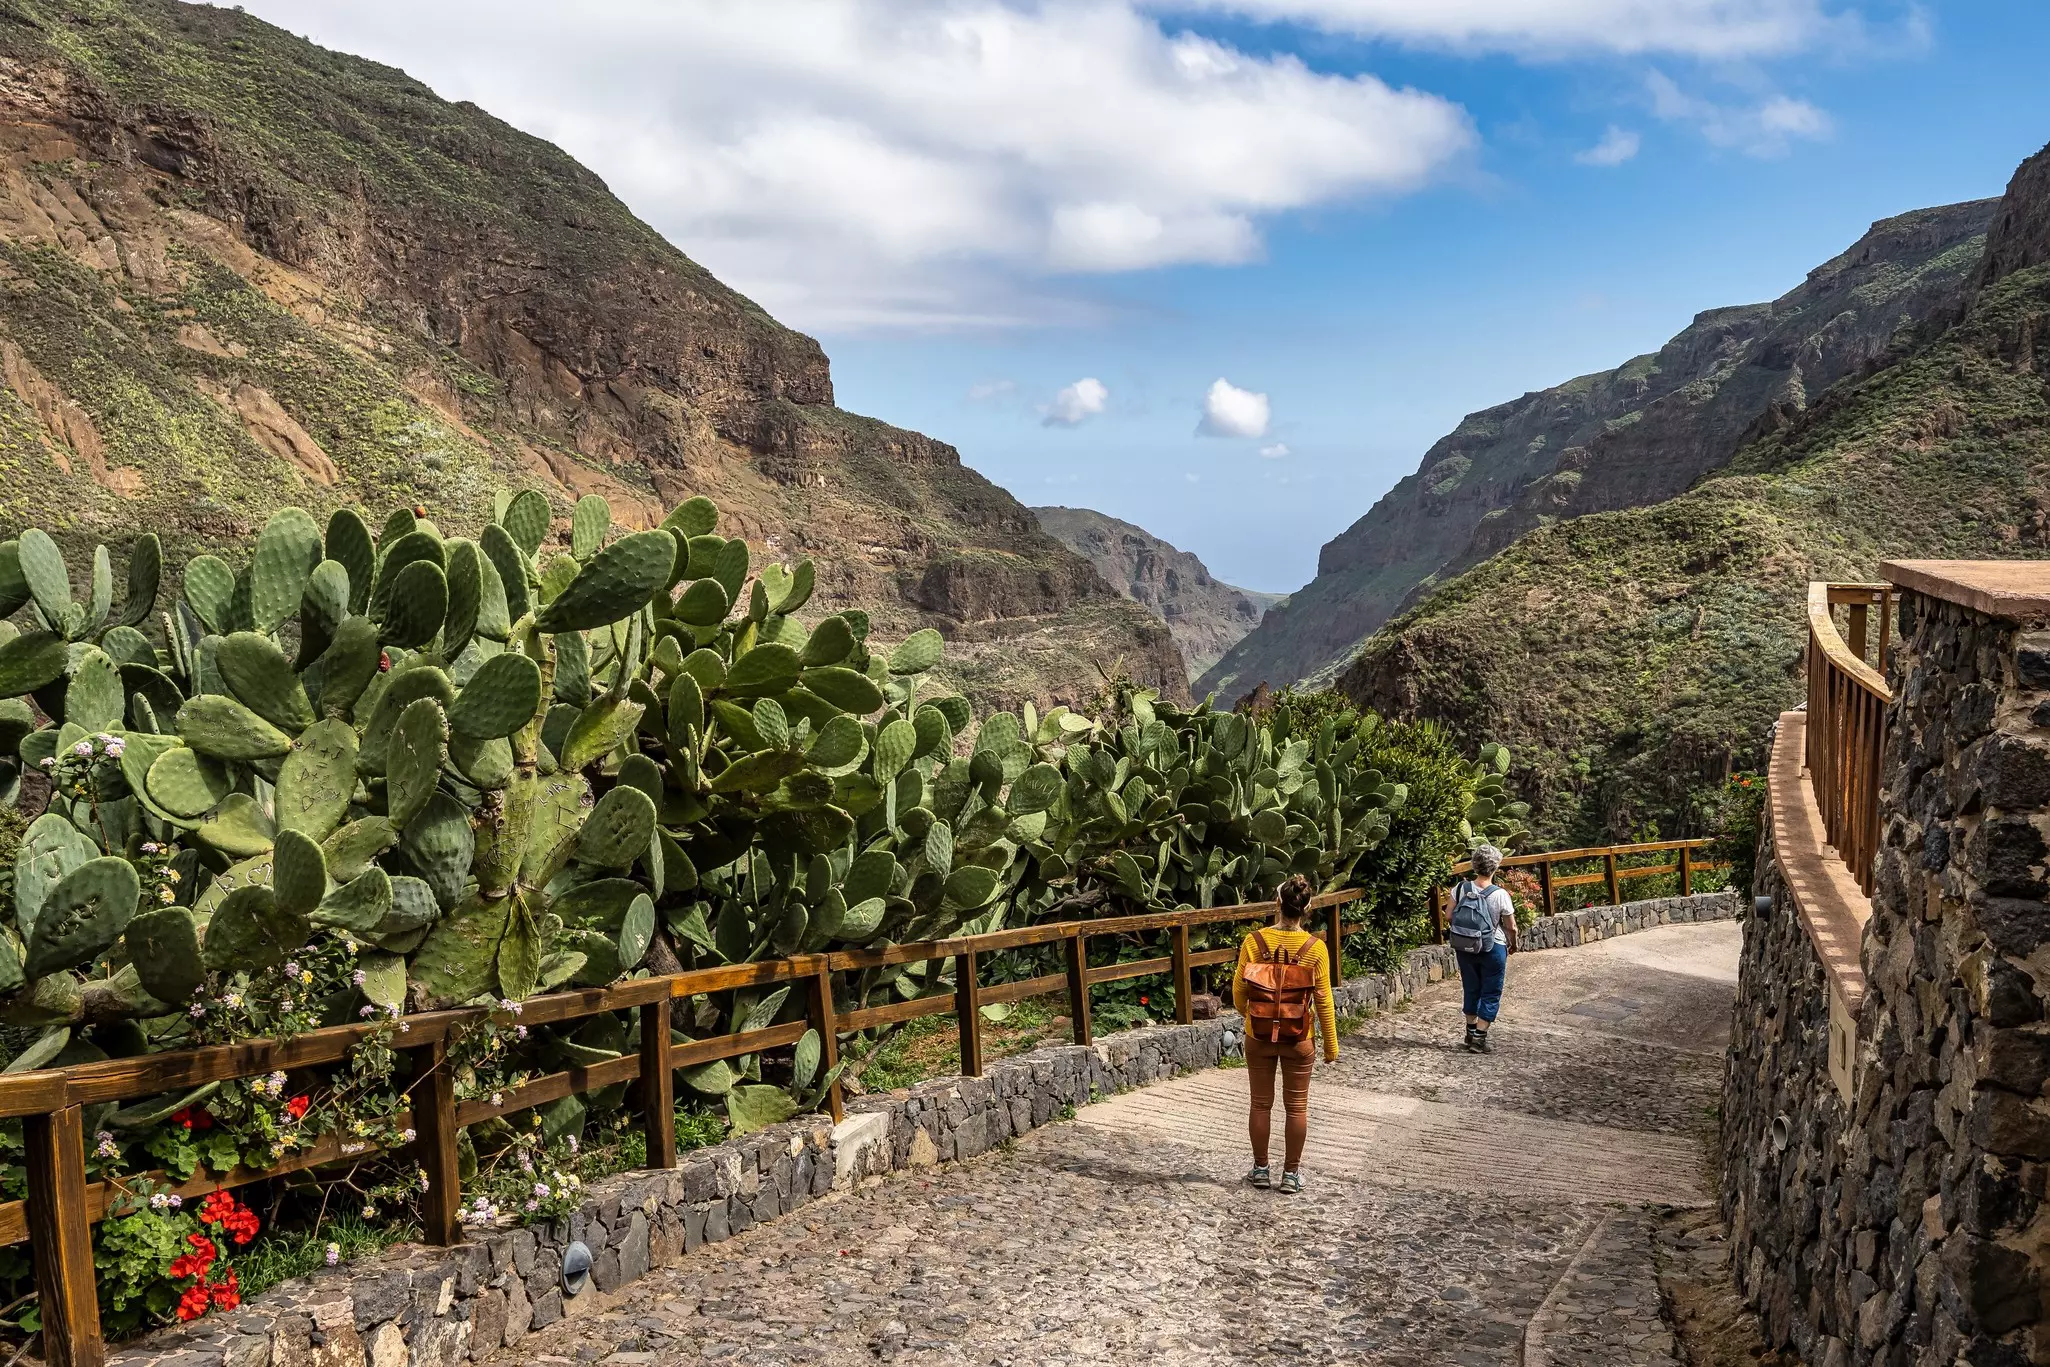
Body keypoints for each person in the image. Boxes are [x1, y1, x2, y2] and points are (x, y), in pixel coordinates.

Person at [1232, 874, 1338, 1195]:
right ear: (1308, 908)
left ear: (1277, 904)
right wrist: (1331, 1045)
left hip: (1259, 1035)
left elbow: (1239, 991)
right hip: (1299, 1038)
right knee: (1297, 1107)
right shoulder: (1315, 948)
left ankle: (1261, 1169)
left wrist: (1252, 1014)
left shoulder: (1254, 942)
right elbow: (1324, 999)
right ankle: (1291, 1174)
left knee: (1260, 1104)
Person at [1446, 843, 1518, 1052]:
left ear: (1474, 865)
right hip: (1492, 947)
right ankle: (1479, 1038)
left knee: (1471, 987)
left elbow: (1449, 916)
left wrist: (1467, 931)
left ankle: (1470, 1030)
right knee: (1491, 990)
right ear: (1495, 867)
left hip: (1465, 947)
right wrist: (1513, 944)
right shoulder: (1500, 894)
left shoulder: (1459, 889)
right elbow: (1510, 926)